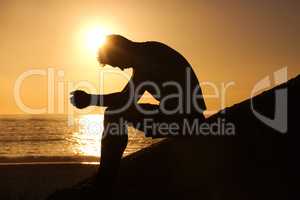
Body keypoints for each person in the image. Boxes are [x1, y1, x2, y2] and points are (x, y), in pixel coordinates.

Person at [70, 35, 206, 190]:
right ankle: (106, 177)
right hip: (184, 116)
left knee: (114, 114)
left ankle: (105, 181)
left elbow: (124, 99)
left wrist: (90, 99)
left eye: (116, 64)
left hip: (186, 120)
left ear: (120, 51)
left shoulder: (147, 59)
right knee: (115, 112)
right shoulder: (148, 53)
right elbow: (127, 98)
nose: (121, 69)